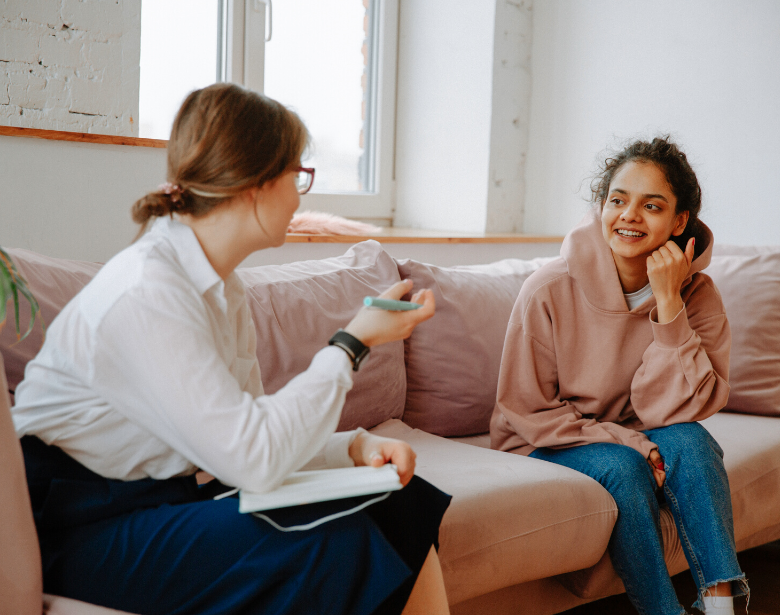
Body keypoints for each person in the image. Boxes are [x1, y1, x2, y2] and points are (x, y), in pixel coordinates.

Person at [12, 83, 451, 615]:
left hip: (156, 501)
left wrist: (352, 449)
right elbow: (254, 460)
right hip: (75, 526)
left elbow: (249, 429)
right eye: (299, 175)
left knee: (401, 502)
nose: (300, 193)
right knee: (333, 540)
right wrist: (352, 342)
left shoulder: (223, 287)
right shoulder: (149, 291)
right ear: (254, 184)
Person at [490, 137, 747, 615]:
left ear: (679, 222)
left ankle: (721, 606)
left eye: (651, 205)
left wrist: (669, 307)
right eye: (617, 200)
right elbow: (525, 410)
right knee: (625, 469)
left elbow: (682, 410)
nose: (629, 215)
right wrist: (633, 444)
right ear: (601, 207)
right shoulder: (547, 289)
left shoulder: (698, 295)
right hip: (544, 441)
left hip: (634, 431)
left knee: (692, 441)